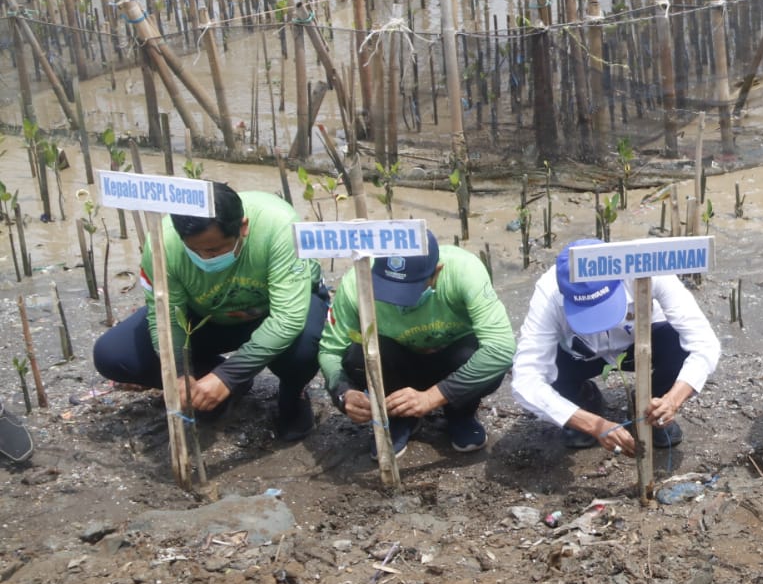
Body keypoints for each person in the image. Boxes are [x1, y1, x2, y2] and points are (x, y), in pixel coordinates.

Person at [92, 182, 324, 441]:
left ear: (243, 227)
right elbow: (168, 318)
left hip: (268, 315)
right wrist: (180, 373)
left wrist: (228, 376)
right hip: (204, 320)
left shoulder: (280, 226)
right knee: (113, 355)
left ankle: (293, 395)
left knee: (306, 345)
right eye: (194, 250)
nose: (205, 257)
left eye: (215, 249)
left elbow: (287, 318)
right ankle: (210, 383)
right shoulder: (164, 241)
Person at [511, 240, 720, 454]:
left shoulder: (648, 269)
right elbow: (525, 380)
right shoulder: (549, 293)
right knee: (550, 364)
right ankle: (583, 402)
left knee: (678, 343)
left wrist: (672, 400)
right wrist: (593, 424)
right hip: (582, 355)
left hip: (638, 343)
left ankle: (651, 405)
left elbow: (705, 344)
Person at [318, 231, 514, 456]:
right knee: (356, 354)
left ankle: (460, 413)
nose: (398, 301)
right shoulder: (358, 283)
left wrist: (432, 397)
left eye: (410, 289)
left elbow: (502, 348)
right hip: (397, 364)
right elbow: (330, 350)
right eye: (388, 288)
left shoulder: (464, 271)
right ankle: (401, 416)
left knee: (480, 354)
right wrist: (343, 393)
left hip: (451, 360)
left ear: (436, 273)